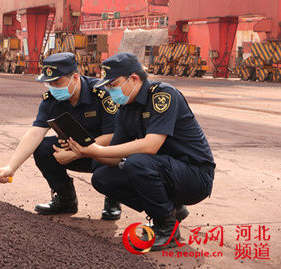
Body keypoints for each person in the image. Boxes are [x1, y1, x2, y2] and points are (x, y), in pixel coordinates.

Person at [67, 52, 215, 251]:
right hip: (165, 171)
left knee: (137, 162)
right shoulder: (126, 108)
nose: (111, 91)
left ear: (134, 79)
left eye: (113, 85)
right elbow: (115, 155)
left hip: (195, 175)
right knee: (102, 176)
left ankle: (167, 228)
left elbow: (150, 145)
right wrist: (86, 152)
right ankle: (169, 210)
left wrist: (97, 148)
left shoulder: (163, 95)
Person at [0, 52, 122, 220]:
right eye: (49, 83)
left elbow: (112, 136)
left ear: (75, 77)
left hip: (104, 153)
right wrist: (11, 168)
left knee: (107, 164)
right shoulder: (51, 99)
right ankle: (65, 199)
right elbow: (35, 133)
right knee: (42, 149)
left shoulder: (101, 93)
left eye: (57, 82)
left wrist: (78, 152)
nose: (53, 87)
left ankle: (113, 199)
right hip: (72, 151)